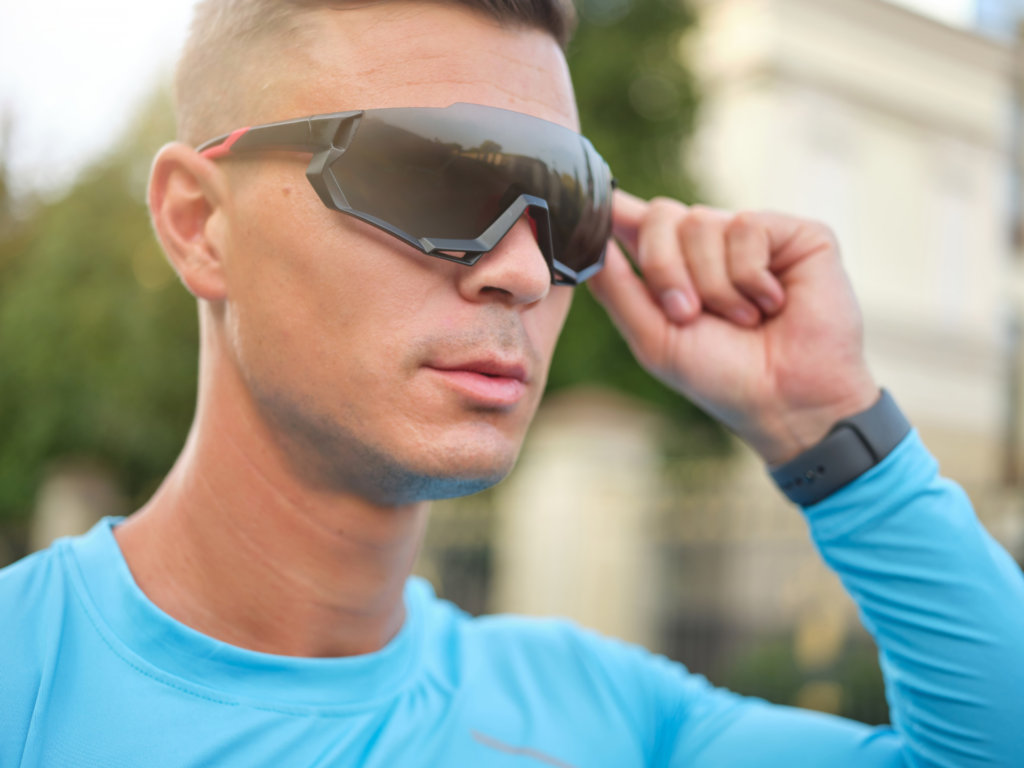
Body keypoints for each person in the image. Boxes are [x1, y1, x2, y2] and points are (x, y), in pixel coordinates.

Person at [2, 0, 1022, 765]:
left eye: (566, 206)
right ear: (199, 223)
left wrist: (827, 424)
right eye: (437, 178)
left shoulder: (605, 720)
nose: (524, 272)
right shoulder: (26, 678)